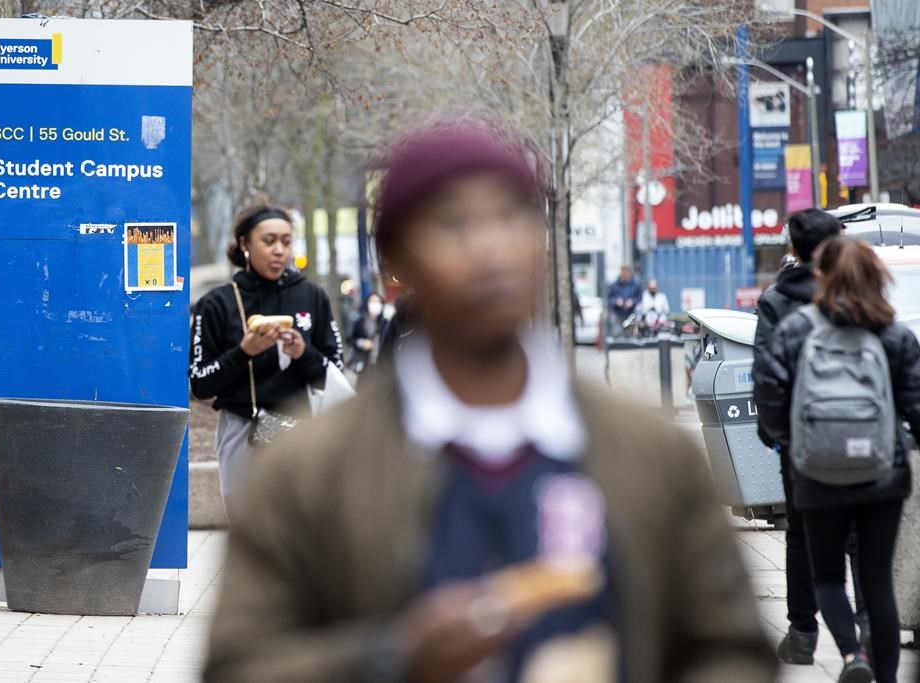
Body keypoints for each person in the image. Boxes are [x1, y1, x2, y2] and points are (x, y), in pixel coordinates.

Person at [204, 117, 776, 683]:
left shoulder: (653, 455)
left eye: (511, 217)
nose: (489, 248)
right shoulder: (309, 473)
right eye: (452, 224)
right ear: (398, 260)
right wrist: (391, 658)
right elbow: (240, 663)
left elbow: (733, 651)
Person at [755, 236, 920, 683]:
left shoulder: (797, 329)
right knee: (877, 580)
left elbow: (768, 400)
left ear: (820, 277)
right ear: (875, 277)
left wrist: (797, 444)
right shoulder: (895, 335)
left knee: (827, 578)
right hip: (882, 474)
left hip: (816, 473)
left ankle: (852, 656)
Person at [189, 205, 343, 512]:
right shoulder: (217, 303)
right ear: (245, 244)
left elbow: (334, 374)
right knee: (249, 530)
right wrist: (244, 352)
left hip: (304, 429)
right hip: (242, 429)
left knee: (303, 531)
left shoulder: (312, 296)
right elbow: (200, 383)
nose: (279, 251)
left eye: (286, 242)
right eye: (269, 241)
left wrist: (303, 353)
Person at [752, 208, 850, 666]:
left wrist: (775, 434)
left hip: (800, 440)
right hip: (858, 433)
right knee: (858, 538)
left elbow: (766, 377)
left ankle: (804, 635)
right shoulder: (855, 292)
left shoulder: (776, 300)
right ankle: (864, 639)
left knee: (801, 535)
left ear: (793, 248)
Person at [349, 292, 388, 374]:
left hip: (382, 367)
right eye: (372, 301)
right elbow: (351, 339)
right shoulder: (360, 322)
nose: (375, 304)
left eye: (378, 302)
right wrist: (362, 343)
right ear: (367, 303)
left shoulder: (385, 322)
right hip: (365, 365)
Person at [606, 265, 640, 336]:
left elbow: (640, 298)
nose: (625, 275)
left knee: (631, 336)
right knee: (618, 335)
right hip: (618, 314)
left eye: (626, 273)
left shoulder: (635, 285)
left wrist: (632, 301)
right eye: (623, 273)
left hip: (631, 314)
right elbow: (609, 299)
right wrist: (616, 301)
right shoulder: (614, 285)